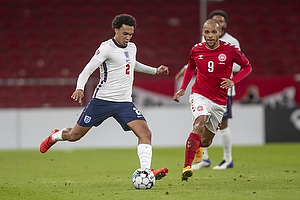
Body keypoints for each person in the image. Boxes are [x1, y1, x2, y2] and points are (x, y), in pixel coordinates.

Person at [40, 14, 169, 180]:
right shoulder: (106, 48)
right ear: (116, 30)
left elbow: (132, 63)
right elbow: (87, 70)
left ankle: (145, 171)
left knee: (145, 133)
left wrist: (154, 70)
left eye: (131, 34)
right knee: (74, 136)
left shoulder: (132, 47)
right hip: (102, 101)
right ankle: (54, 136)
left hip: (124, 103)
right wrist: (80, 88)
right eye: (125, 34)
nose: (128, 37)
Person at [173, 18, 252, 181]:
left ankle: (199, 149)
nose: (210, 35)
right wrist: (182, 88)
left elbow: (247, 67)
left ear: (219, 33)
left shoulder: (230, 50)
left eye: (213, 32)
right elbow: (191, 68)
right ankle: (187, 166)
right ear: (202, 32)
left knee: (206, 141)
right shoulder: (196, 49)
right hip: (199, 94)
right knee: (199, 122)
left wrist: (233, 81)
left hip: (219, 101)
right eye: (207, 32)